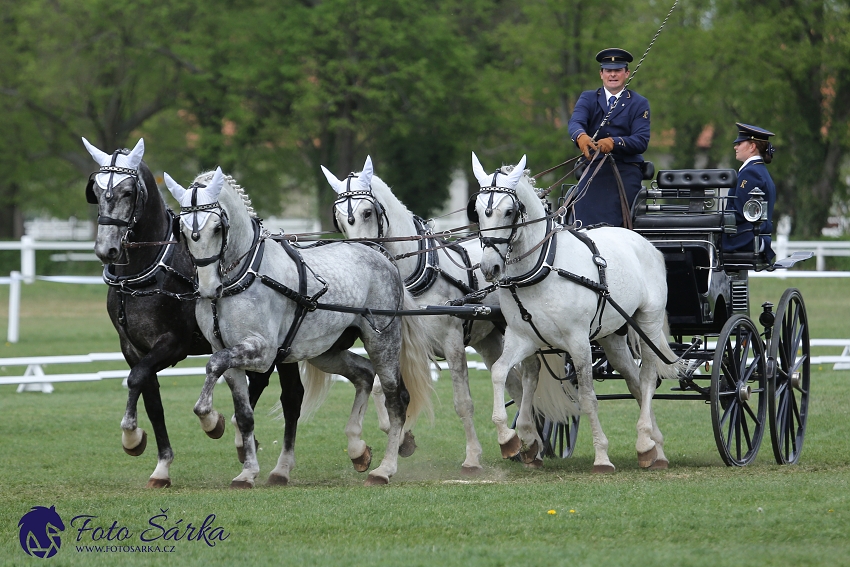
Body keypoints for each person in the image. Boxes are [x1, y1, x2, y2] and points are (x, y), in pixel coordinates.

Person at [567, 48, 650, 227]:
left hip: (626, 169)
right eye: (608, 70)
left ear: (626, 73)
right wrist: (580, 137)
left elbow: (641, 140)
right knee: (580, 211)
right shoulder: (588, 98)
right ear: (601, 74)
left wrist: (615, 142)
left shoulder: (639, 103)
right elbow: (575, 123)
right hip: (593, 166)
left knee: (618, 214)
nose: (613, 74)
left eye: (618, 70)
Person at [722, 122, 777, 260]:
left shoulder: (750, 173)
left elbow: (741, 214)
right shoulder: (759, 170)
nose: (735, 147)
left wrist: (717, 219)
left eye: (739, 143)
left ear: (752, 146)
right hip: (752, 236)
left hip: (743, 239)